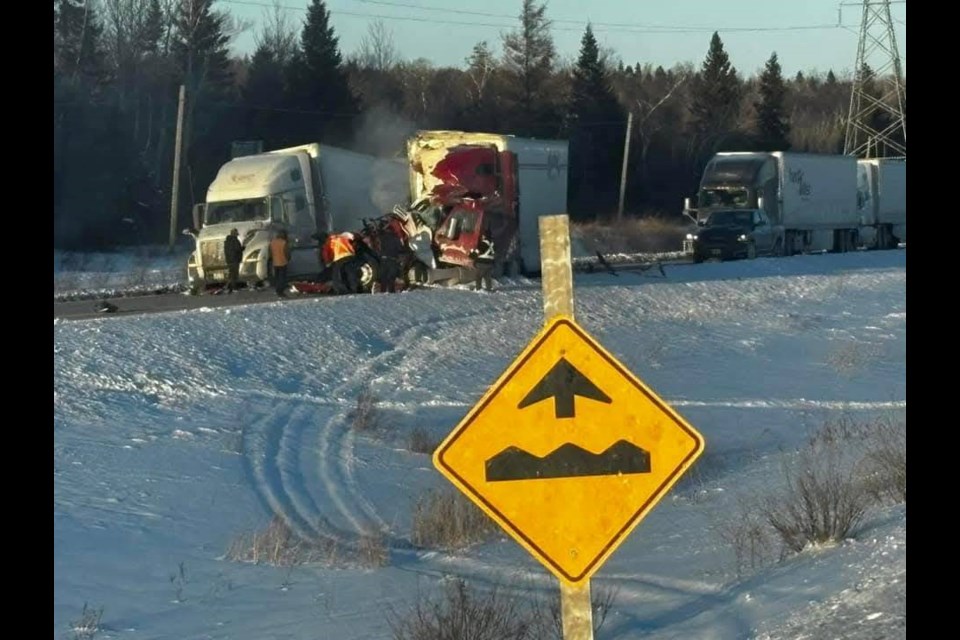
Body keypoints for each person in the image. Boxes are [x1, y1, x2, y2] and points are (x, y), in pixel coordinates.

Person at [377, 228, 404, 293]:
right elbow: (400, 249)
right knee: (391, 277)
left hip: (383, 260)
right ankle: (391, 292)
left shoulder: (381, 237)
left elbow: (377, 246)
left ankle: (382, 291)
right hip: (392, 260)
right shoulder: (396, 238)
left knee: (383, 277)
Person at [269, 230, 291, 297]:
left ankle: (277, 290)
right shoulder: (284, 243)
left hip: (275, 263)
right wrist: (288, 259)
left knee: (277, 277)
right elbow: (287, 253)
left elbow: (270, 253)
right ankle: (280, 291)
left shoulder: (272, 242)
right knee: (282, 278)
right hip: (283, 262)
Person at [223, 228, 243, 293]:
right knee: (234, 275)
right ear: (235, 234)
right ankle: (234, 288)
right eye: (236, 234)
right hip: (235, 260)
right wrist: (243, 248)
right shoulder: (235, 240)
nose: (237, 235)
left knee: (231, 274)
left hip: (229, 260)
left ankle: (228, 287)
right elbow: (238, 249)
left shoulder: (227, 241)